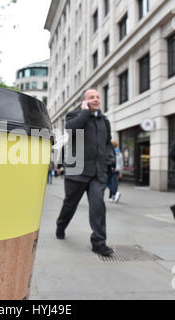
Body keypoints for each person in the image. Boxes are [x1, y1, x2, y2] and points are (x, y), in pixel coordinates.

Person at [55, 88, 115, 257]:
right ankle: (61, 225)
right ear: (84, 101)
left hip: (98, 173)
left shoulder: (105, 121)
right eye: (91, 97)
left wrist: (110, 160)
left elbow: (108, 143)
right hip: (77, 171)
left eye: (97, 97)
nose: (96, 99)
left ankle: (99, 242)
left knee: (98, 207)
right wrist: (85, 112)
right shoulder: (74, 115)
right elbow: (71, 129)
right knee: (70, 204)